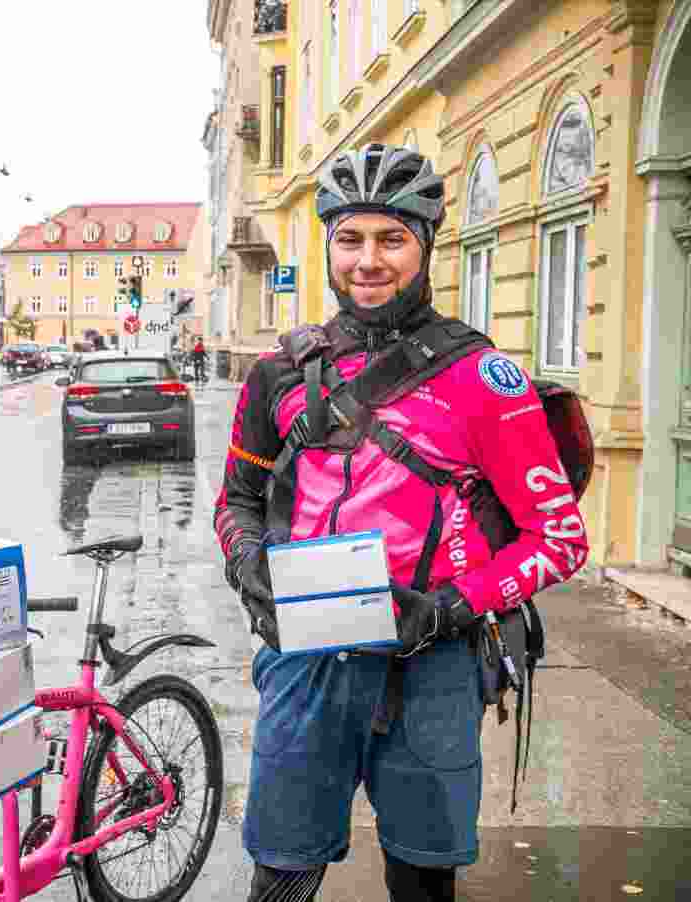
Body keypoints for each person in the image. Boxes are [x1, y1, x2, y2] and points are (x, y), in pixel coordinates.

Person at [214, 144, 588, 902]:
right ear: (327, 246)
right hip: (307, 654)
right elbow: (237, 502)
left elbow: (559, 539)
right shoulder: (279, 373)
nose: (368, 260)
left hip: (434, 664)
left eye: (392, 239)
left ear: (426, 245)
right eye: (351, 239)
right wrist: (248, 560)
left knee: (422, 877)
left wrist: (450, 607)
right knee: (281, 869)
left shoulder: (483, 379)